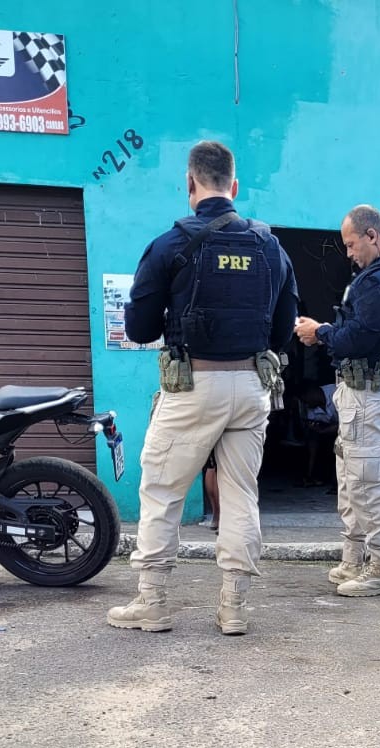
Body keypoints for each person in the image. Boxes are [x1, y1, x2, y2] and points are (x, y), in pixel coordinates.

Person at [106, 141, 298, 636]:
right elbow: (283, 330)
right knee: (241, 494)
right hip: (252, 388)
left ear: (189, 184)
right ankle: (234, 607)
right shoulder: (270, 247)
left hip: (192, 386)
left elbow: (140, 329)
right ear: (234, 187)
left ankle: (153, 602)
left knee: (162, 489)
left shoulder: (171, 244)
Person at [295, 205, 380, 598]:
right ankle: (353, 560)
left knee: (368, 480)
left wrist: (320, 333)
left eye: (351, 244)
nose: (349, 253)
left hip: (369, 392)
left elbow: (358, 338)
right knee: (352, 478)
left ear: (372, 236)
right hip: (364, 390)